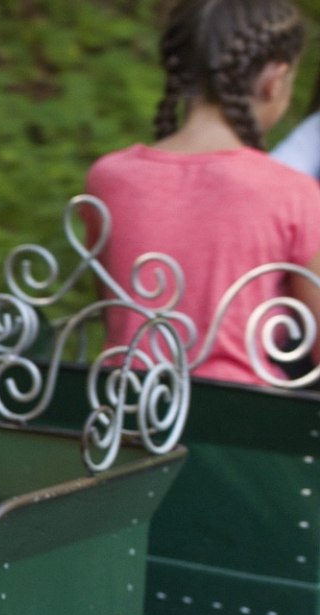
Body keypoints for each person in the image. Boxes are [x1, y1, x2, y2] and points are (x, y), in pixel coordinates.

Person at [88, 0, 320, 386]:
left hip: (123, 415)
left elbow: (113, 311)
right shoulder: (292, 193)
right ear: (274, 80)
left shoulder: (109, 178)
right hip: (239, 426)